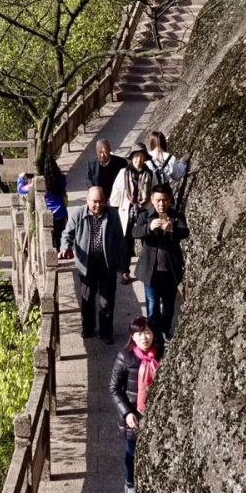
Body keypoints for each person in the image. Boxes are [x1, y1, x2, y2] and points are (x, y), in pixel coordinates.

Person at [60, 186, 126, 343]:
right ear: (87, 200)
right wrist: (65, 247)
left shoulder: (112, 214)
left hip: (107, 264)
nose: (98, 205)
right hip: (87, 264)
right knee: (87, 299)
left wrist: (124, 266)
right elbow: (67, 234)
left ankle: (106, 332)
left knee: (107, 301)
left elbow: (120, 241)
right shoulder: (79, 214)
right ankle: (88, 328)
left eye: (101, 201)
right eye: (94, 201)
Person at [131, 183, 187, 354]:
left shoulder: (176, 216)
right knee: (153, 305)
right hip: (151, 272)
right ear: (152, 200)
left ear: (169, 200)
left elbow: (185, 232)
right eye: (158, 200)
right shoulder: (145, 215)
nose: (161, 204)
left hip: (170, 271)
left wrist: (172, 230)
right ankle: (154, 337)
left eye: (165, 200)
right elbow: (134, 232)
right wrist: (149, 227)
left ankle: (165, 332)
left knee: (169, 306)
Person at [110, 316, 159, 493]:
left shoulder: (160, 354)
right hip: (134, 413)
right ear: (132, 336)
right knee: (132, 452)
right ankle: (129, 485)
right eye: (139, 334)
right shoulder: (125, 357)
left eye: (147, 332)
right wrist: (127, 413)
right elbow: (114, 388)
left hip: (155, 413)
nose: (144, 337)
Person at [109, 142, 154, 282]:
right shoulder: (123, 173)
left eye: (141, 156)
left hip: (144, 210)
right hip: (127, 211)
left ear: (145, 158)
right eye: (136, 156)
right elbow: (116, 194)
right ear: (132, 157)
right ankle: (124, 271)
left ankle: (148, 270)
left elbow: (155, 192)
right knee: (126, 242)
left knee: (147, 240)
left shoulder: (150, 174)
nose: (138, 159)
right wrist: (114, 212)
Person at [42, 153, 68, 254]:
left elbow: (22, 189)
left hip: (48, 214)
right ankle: (60, 252)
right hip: (61, 212)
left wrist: (21, 180)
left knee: (50, 238)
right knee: (60, 236)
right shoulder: (62, 179)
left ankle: (54, 255)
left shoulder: (43, 183)